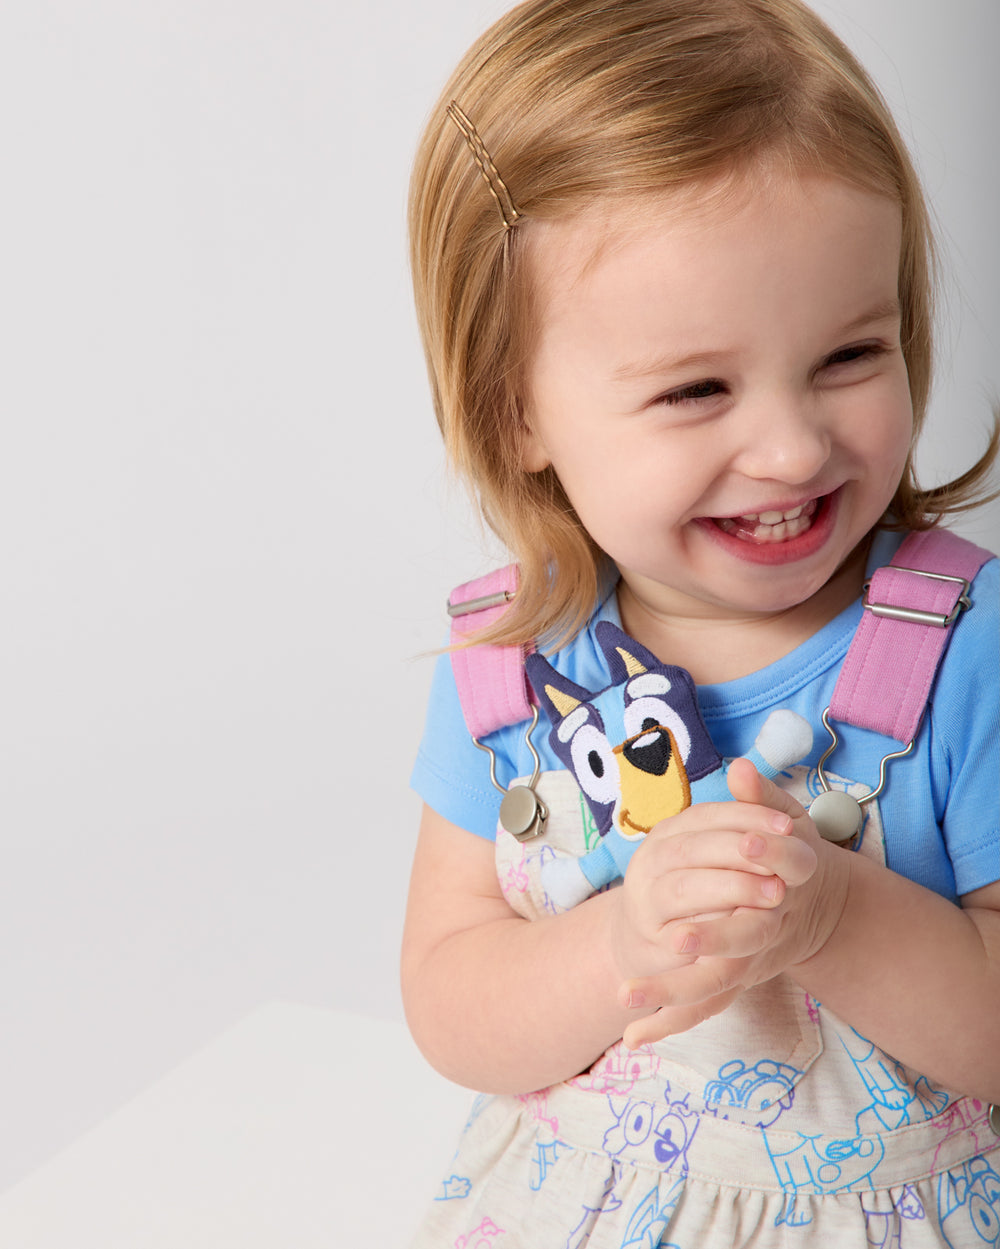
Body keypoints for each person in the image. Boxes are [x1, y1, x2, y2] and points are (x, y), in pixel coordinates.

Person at [402, 0, 1000, 1243]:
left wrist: (830, 913)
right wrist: (619, 935)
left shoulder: (967, 654)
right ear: (516, 411)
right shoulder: (510, 667)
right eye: (694, 388)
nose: (790, 447)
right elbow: (450, 1000)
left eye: (848, 355)